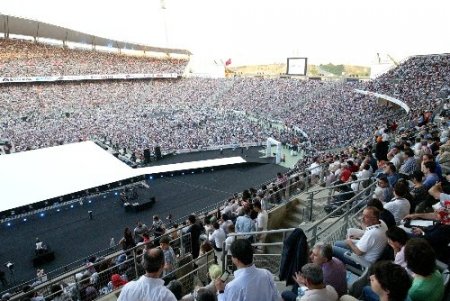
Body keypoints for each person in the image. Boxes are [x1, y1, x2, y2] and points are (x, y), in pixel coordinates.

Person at [214, 239, 280, 301]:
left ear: (236, 260)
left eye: (232, 255)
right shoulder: (266, 273)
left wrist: (221, 291)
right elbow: (275, 296)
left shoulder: (233, 286)